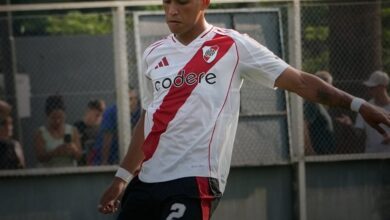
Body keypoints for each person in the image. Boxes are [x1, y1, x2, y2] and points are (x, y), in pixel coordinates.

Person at [98, 1, 390, 219]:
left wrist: (359, 104)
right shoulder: (153, 53)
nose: (172, 10)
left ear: (204, 3)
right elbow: (150, 118)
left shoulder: (232, 45)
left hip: (194, 181)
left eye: (182, 1)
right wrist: (122, 178)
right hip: (146, 181)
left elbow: (301, 81)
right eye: (167, 1)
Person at [337, 71, 390, 153]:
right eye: (369, 88)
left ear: (382, 87)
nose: (369, 90)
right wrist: (350, 125)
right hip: (372, 155)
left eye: (372, 87)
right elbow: (358, 132)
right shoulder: (365, 107)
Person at [92, 88, 141, 165]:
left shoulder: (139, 112)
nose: (134, 102)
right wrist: (104, 161)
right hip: (108, 155)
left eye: (136, 98)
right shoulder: (111, 112)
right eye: (130, 99)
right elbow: (107, 138)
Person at [34, 95, 82, 167]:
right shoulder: (41, 133)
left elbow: (79, 157)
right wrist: (56, 152)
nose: (57, 121)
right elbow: (40, 157)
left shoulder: (73, 130)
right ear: (47, 116)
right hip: (48, 173)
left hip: (69, 171)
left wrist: (74, 150)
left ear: (64, 114)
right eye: (53, 118)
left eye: (60, 117)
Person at [304, 71, 336, 154]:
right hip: (318, 151)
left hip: (327, 151)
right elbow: (304, 126)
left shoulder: (321, 104)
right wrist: (310, 150)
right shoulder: (312, 103)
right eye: (328, 85)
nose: (331, 88)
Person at [74, 99, 106, 166]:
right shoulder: (77, 126)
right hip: (82, 162)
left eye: (100, 115)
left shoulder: (102, 129)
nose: (99, 118)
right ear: (89, 111)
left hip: (97, 162)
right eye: (97, 115)